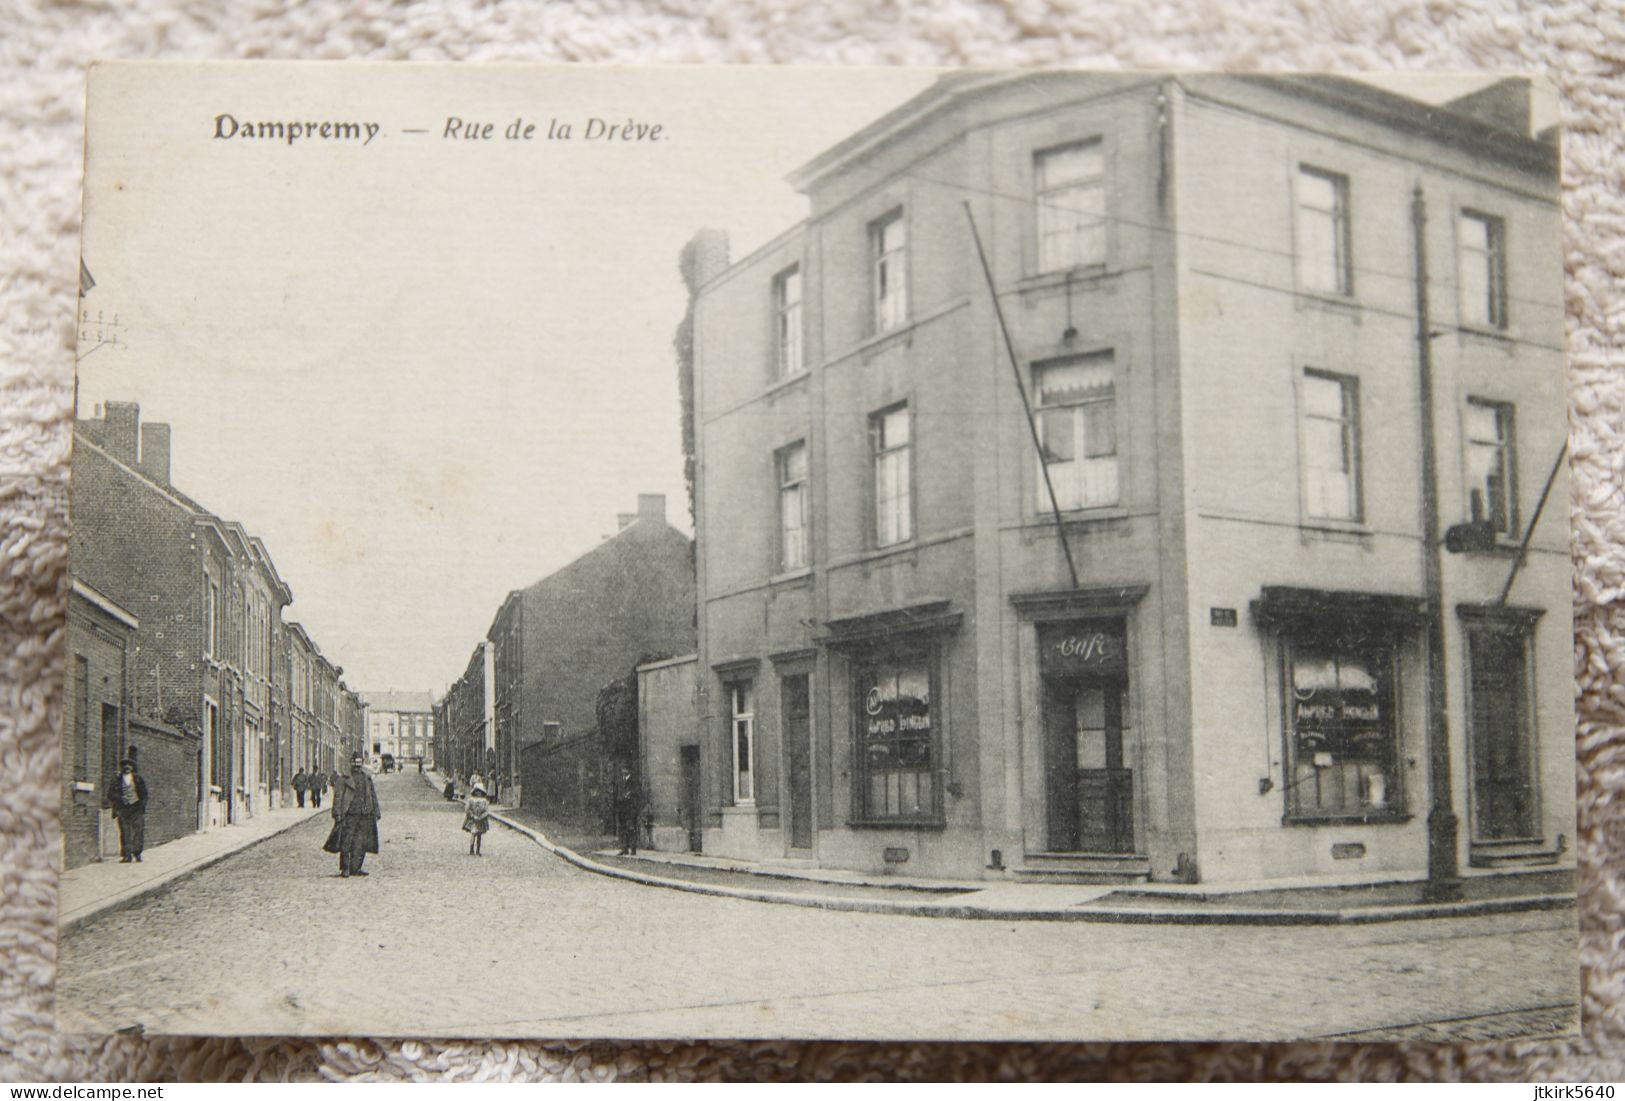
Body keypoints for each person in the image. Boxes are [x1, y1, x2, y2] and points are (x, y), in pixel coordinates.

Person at [323, 753, 381, 877]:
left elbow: (372, 796)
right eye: (355, 763)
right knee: (346, 842)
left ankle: (356, 868)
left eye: (359, 763)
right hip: (349, 815)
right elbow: (337, 797)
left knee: (360, 843)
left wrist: (376, 811)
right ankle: (345, 868)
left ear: (362, 763)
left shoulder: (367, 778)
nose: (357, 766)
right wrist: (337, 813)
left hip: (364, 815)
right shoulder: (344, 779)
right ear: (351, 763)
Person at [104, 757, 148, 863]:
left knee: (138, 831)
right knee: (125, 832)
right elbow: (110, 794)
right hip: (123, 809)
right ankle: (126, 855)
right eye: (124, 765)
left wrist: (141, 807)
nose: (127, 767)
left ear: (132, 768)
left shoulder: (138, 779)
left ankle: (137, 854)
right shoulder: (117, 780)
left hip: (136, 808)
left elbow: (144, 794)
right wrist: (119, 798)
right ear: (121, 767)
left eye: (129, 765)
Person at [614, 767, 644, 856]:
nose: (623, 771)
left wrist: (630, 796)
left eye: (625, 768)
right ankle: (624, 848)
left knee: (631, 829)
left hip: (630, 809)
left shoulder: (634, 782)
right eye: (622, 769)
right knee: (622, 829)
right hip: (622, 809)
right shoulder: (620, 781)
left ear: (629, 770)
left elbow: (637, 794)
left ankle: (633, 849)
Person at [462, 783, 490, 856]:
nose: (478, 793)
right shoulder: (471, 800)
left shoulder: (484, 801)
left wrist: (481, 817)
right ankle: (471, 849)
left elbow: (487, 811)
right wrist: (473, 816)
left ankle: (478, 850)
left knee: (479, 835)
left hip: (480, 821)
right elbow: (467, 809)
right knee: (473, 834)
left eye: (480, 791)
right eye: (477, 791)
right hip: (473, 820)